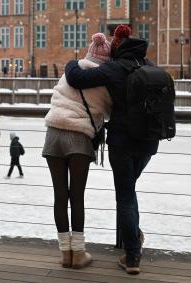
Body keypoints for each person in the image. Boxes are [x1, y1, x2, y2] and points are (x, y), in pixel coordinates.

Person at [63, 25, 155, 275]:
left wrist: (72, 62)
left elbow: (76, 78)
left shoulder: (114, 68)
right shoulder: (150, 66)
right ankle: (134, 240)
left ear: (117, 48)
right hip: (148, 143)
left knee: (125, 196)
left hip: (123, 142)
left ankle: (133, 256)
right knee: (130, 191)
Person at [43, 33, 113, 269]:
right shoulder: (104, 81)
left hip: (53, 134)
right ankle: (79, 253)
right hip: (78, 138)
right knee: (77, 196)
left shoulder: (69, 72)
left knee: (60, 197)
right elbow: (110, 112)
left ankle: (65, 254)